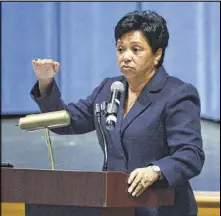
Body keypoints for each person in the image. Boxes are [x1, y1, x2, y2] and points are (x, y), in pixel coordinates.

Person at [31, 10, 205, 216]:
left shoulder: (177, 94)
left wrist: (156, 171)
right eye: (121, 49)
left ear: (157, 54)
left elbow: (190, 154)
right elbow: (65, 121)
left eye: (136, 49)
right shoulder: (109, 89)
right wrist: (46, 82)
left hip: (162, 207)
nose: (125, 57)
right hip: (116, 205)